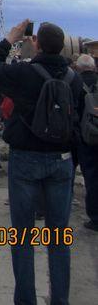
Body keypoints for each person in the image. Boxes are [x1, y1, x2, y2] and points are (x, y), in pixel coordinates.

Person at [0, 19, 82, 305]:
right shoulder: (73, 79)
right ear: (62, 47)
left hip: (26, 159)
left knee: (22, 236)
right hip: (61, 161)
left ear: (37, 45)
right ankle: (60, 300)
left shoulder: (24, 74)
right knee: (59, 237)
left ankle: (26, 300)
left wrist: (10, 38)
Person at [75, 53, 98, 231]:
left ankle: (95, 218)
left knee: (91, 177)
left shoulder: (75, 83)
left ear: (78, 68)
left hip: (84, 138)